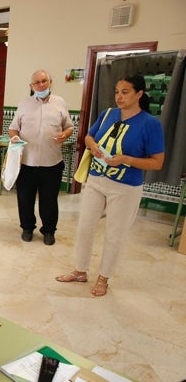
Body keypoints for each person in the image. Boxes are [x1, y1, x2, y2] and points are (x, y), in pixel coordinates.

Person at [56, 75, 165, 296]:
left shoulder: (150, 124)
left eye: (125, 92)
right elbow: (88, 136)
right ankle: (80, 271)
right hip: (96, 181)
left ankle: (104, 277)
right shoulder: (108, 114)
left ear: (139, 94)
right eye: (117, 91)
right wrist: (94, 146)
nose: (119, 97)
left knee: (115, 235)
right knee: (85, 227)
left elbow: (157, 162)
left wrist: (126, 159)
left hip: (125, 187)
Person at [8, 70, 74, 245]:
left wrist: (65, 135)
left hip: (52, 162)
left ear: (50, 82)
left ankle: (49, 231)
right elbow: (13, 128)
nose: (41, 85)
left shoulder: (60, 103)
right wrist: (14, 137)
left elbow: (69, 127)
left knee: (49, 200)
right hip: (26, 163)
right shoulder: (24, 104)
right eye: (37, 82)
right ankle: (27, 228)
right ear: (31, 86)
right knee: (25, 198)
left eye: (44, 81)